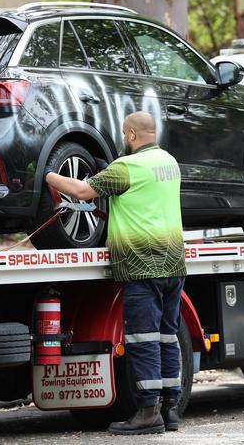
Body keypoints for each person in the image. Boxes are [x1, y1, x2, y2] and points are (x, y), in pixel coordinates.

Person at [44, 111, 186, 435]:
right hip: (174, 264)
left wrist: (48, 175)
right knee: (167, 337)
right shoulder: (169, 163)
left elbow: (81, 191)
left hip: (142, 265)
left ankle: (148, 413)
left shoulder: (127, 168)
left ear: (131, 135)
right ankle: (171, 409)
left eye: (125, 135)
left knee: (143, 340)